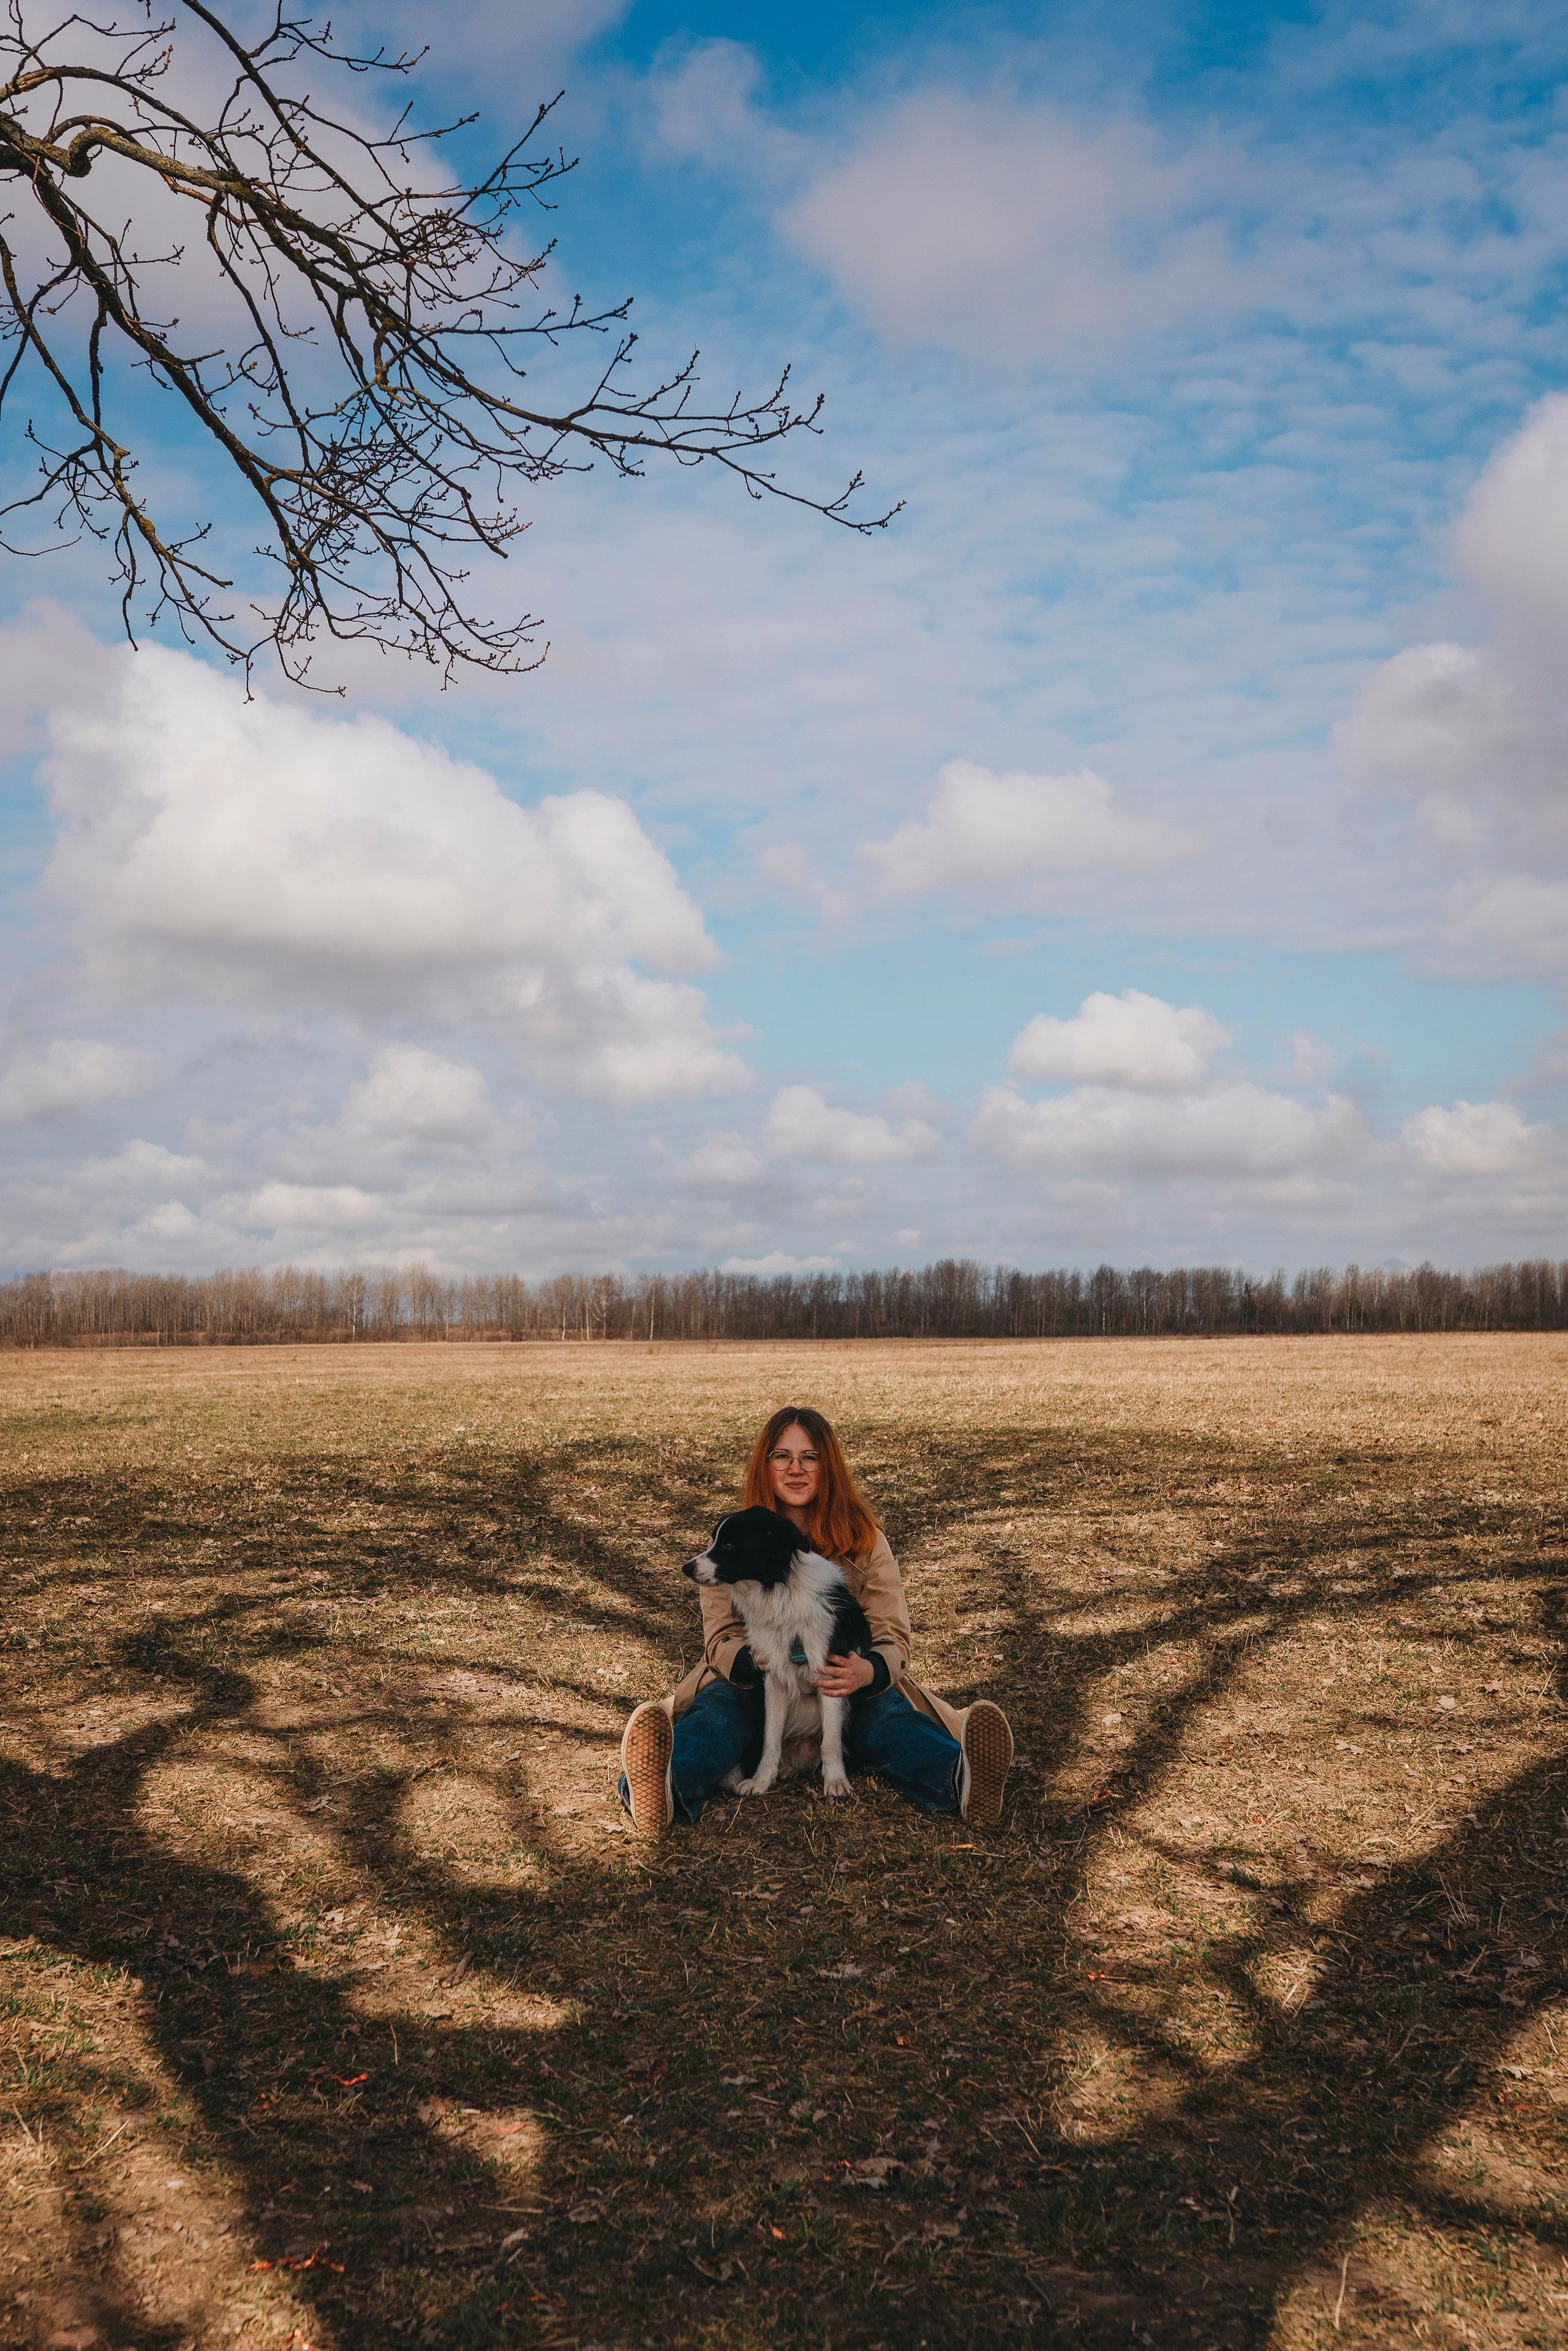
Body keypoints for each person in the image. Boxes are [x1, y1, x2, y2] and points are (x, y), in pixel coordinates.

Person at [618, 1405, 1013, 1836]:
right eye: (782, 1456)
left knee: (888, 1716)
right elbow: (720, 1638)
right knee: (718, 1713)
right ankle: (661, 1786)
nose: (796, 1469)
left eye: (810, 1457)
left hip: (844, 1693)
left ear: (829, 1468)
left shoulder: (865, 1540)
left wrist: (868, 1670)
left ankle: (962, 1778)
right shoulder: (733, 1541)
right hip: (759, 1688)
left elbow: (893, 1635)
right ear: (765, 1466)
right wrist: (752, 1661)